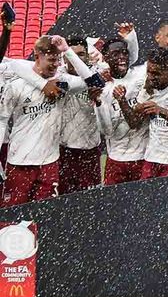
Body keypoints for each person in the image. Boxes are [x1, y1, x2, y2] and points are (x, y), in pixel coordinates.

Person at [0, 36, 86, 207]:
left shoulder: (63, 82)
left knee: (46, 217)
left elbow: (93, 81)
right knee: (12, 217)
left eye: (58, 59)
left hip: (49, 163)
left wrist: (67, 50)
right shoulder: (16, 85)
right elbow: (2, 121)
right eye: (51, 59)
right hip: (19, 163)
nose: (56, 64)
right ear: (37, 56)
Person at [118, 48, 168, 179]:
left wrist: (161, 111)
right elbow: (134, 123)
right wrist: (122, 102)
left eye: (156, 73)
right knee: (147, 198)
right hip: (152, 157)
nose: (150, 76)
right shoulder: (148, 85)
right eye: (148, 71)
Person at [94, 32, 148, 185]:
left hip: (144, 156)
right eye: (115, 54)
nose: (121, 57)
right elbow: (106, 131)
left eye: (124, 53)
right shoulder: (101, 86)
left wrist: (132, 36)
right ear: (105, 58)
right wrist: (98, 103)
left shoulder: (141, 74)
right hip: (116, 158)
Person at [58, 35, 103, 194]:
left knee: (91, 200)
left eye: (80, 54)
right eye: (71, 54)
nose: (75, 59)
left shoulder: (97, 71)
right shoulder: (58, 74)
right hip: (65, 150)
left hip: (90, 149)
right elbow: (89, 82)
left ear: (87, 55)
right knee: (64, 199)